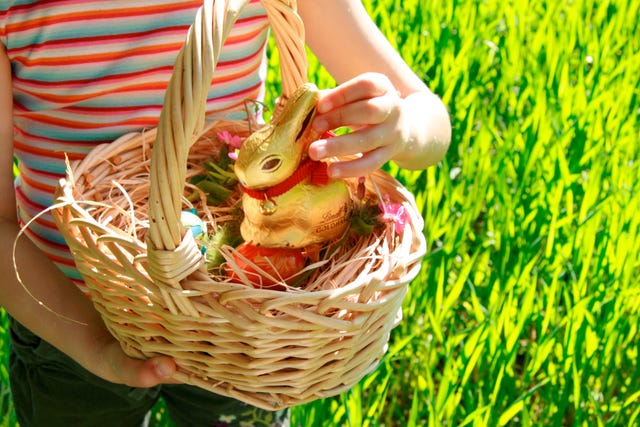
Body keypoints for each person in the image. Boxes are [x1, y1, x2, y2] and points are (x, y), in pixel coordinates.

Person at [0, 0, 451, 426]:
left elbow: (431, 120)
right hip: (68, 316)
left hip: (241, 319)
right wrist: (95, 345)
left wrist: (404, 128)